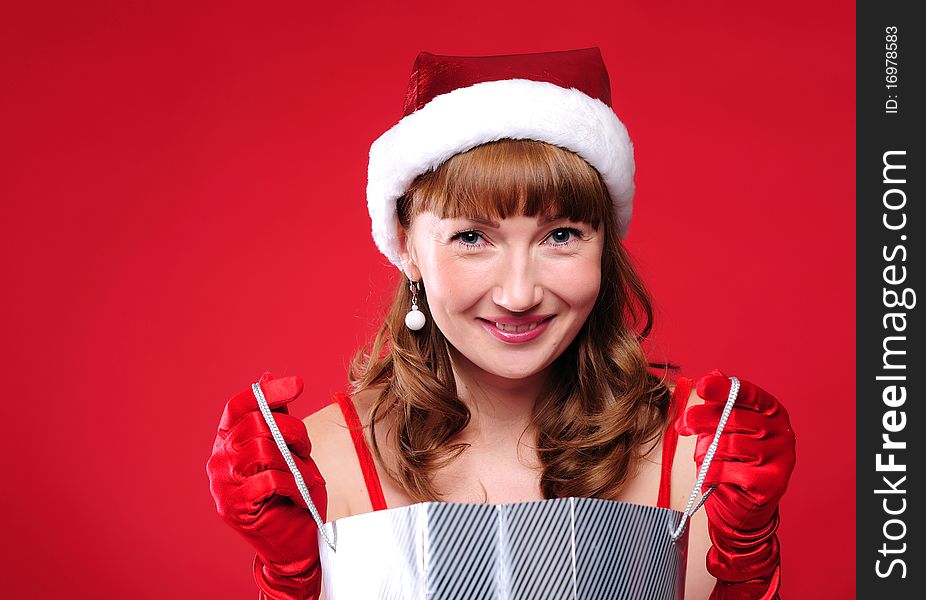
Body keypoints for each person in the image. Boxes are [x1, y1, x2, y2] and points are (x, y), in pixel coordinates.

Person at [206, 48, 796, 599]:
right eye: (471, 238)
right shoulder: (321, 466)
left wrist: (744, 562)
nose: (519, 294)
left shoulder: (702, 451)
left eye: (561, 235)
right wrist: (292, 581)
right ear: (408, 247)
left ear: (605, 246)